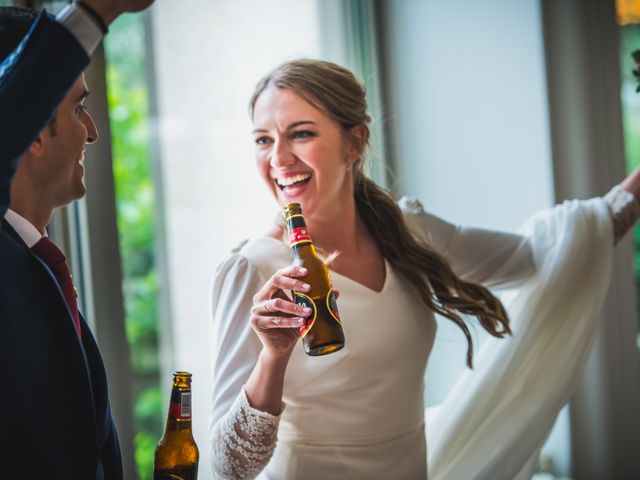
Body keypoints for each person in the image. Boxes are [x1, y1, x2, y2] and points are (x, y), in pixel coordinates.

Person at [208, 59, 640, 480]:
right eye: (263, 140)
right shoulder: (254, 269)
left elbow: (550, 252)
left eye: (300, 134)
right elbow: (230, 467)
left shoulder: (408, 232)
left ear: (354, 143)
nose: (278, 158)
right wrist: (274, 355)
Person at [0, 1, 152, 478]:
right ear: (32, 127)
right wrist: (93, 11)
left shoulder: (39, 262)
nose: (92, 133)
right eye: (78, 108)